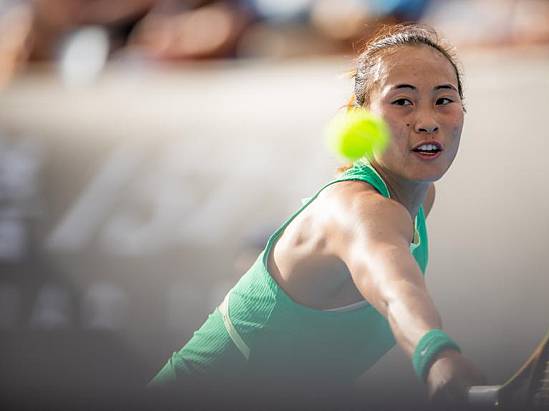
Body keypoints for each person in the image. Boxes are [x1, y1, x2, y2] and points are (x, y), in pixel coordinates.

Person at [149, 23, 485, 410]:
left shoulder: (420, 200)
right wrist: (436, 355)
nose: (427, 119)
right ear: (361, 118)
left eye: (444, 99)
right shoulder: (357, 208)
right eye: (402, 101)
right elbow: (395, 291)